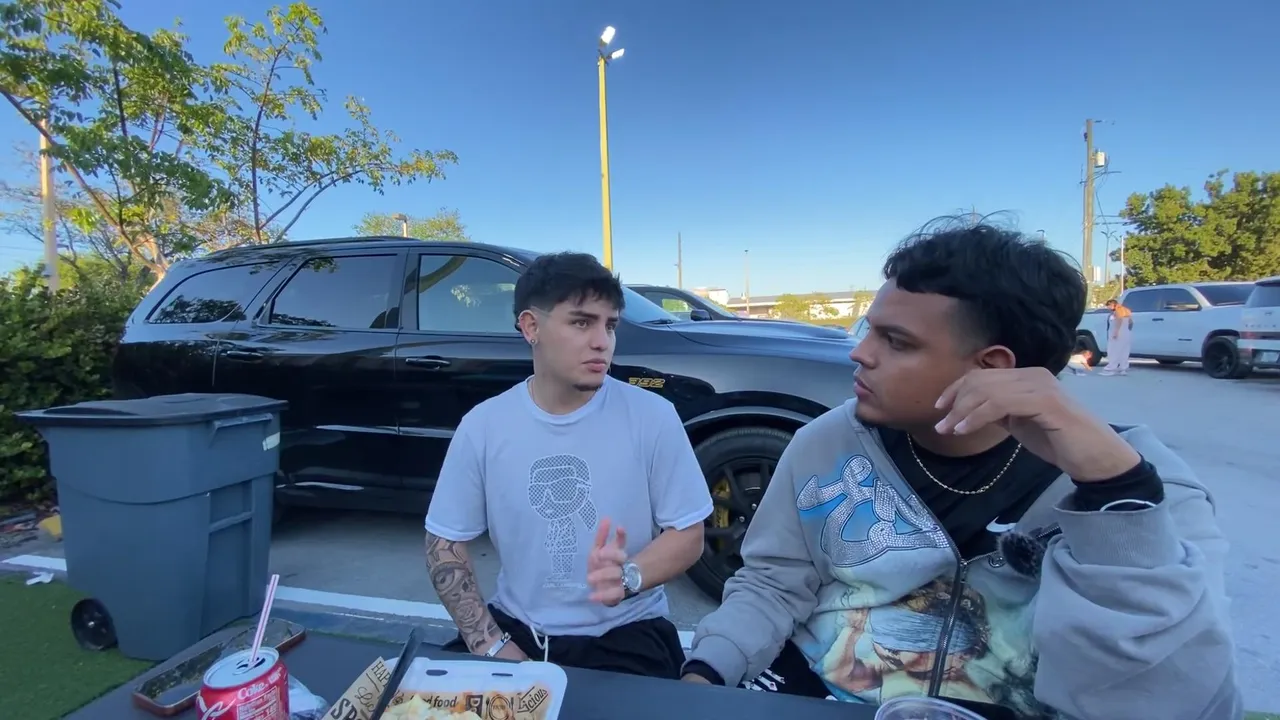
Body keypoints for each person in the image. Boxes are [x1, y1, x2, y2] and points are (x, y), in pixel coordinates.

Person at [681, 220, 1238, 720]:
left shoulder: (1138, 487)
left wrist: (1116, 498)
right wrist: (708, 670)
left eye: (895, 341)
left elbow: (1181, 694)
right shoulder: (825, 444)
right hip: (820, 691)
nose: (860, 353)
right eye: (869, 329)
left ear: (990, 367)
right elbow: (773, 583)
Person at [423, 251, 713, 679]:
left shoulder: (652, 416)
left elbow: (688, 532)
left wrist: (629, 577)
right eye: (581, 322)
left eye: (610, 325)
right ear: (531, 327)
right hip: (517, 629)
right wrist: (489, 643)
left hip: (627, 632)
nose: (602, 342)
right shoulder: (484, 426)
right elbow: (443, 543)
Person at [1100, 297, 1133, 375]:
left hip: (1117, 333)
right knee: (1124, 351)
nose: (1108, 308)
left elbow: (1119, 320)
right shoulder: (1127, 310)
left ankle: (1111, 369)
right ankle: (1123, 369)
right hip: (1126, 333)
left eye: (1108, 306)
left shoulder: (1118, 311)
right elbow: (1131, 322)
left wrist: (1116, 332)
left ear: (1112, 305)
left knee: (1113, 350)